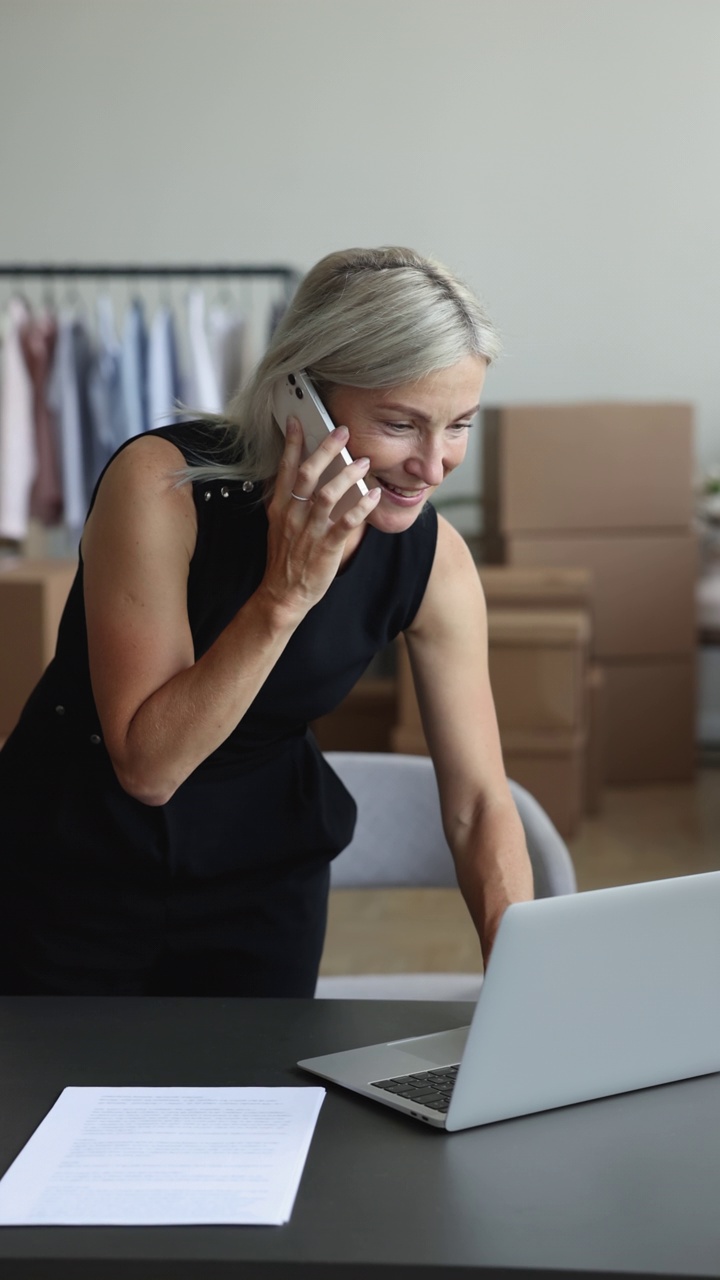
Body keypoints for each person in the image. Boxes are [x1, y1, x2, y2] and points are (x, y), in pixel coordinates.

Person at [0, 245, 533, 997]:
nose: (434, 465)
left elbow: (480, 805)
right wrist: (287, 594)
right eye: (401, 424)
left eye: (458, 425)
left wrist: (525, 973)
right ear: (298, 397)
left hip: (261, 875)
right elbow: (149, 767)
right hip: (72, 866)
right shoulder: (161, 485)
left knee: (257, 1106)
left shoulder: (433, 556)